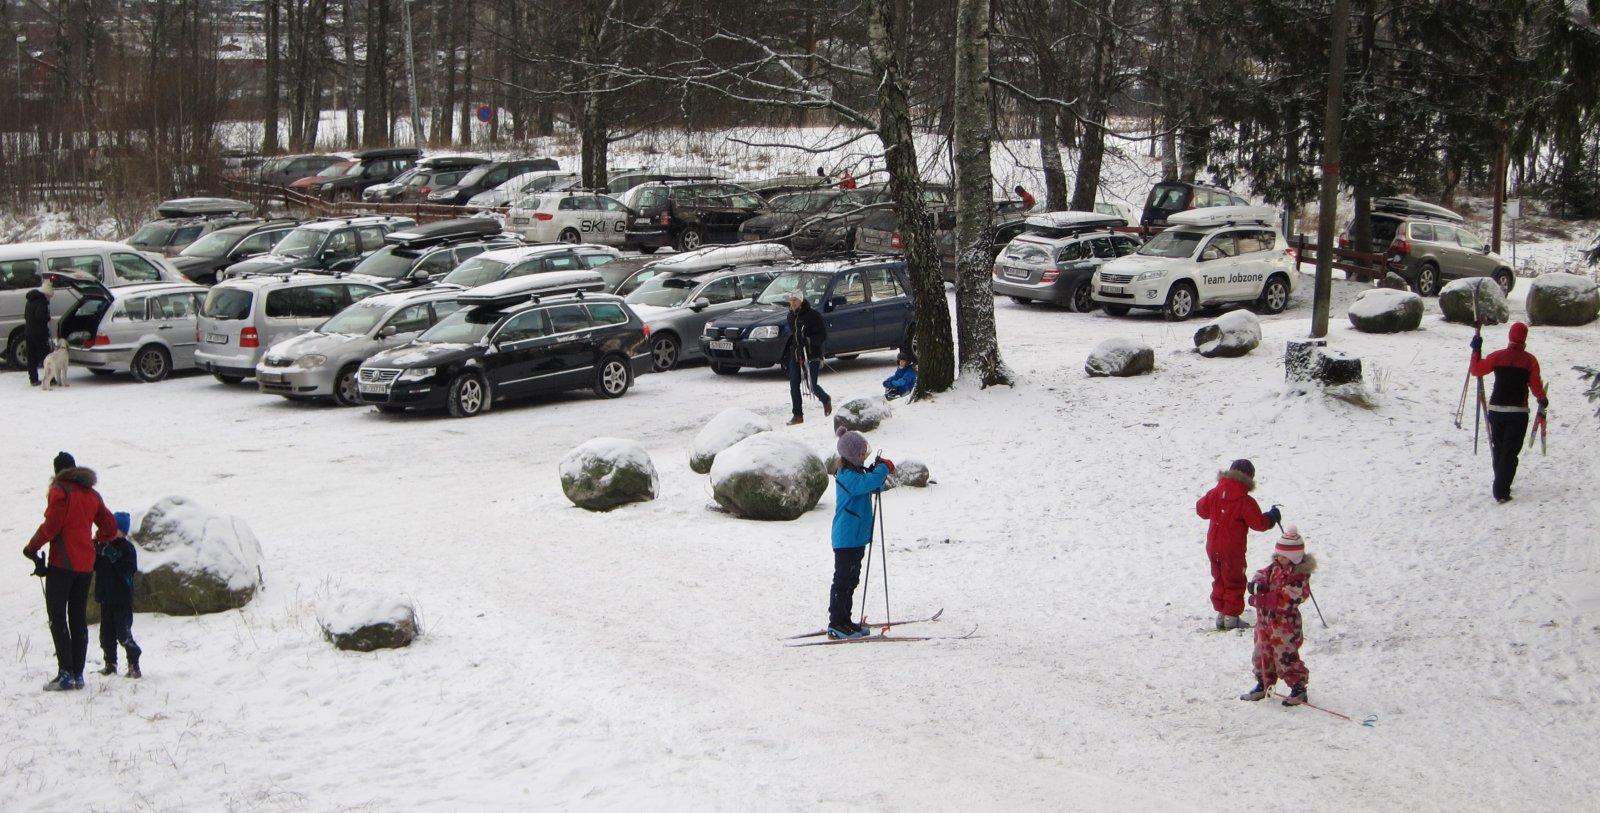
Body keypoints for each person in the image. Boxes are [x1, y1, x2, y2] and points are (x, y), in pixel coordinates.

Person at [24, 451, 120, 692]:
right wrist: (95, 541)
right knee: (77, 618)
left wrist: (32, 547)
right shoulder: (91, 493)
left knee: (57, 617)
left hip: (62, 563)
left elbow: (52, 526)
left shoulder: (60, 491)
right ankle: (77, 674)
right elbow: (109, 527)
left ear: (57, 471)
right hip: (85, 564)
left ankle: (65, 673)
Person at [827, 427, 895, 639]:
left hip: (856, 537)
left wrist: (879, 481)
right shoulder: (846, 475)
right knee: (843, 580)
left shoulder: (856, 474)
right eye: (862, 453)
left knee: (851, 579)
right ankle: (836, 622)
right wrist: (882, 470)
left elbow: (871, 485)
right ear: (853, 455)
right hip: (846, 537)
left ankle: (845, 620)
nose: (864, 456)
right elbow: (866, 484)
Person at [1195, 459, 1279, 629]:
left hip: (1213, 546)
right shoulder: (1244, 500)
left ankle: (1221, 614)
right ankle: (1231, 617)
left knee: (1219, 578)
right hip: (1232, 549)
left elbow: (1201, 509)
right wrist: (1272, 517)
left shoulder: (1215, 493)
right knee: (1234, 580)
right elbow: (1259, 523)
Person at [1470, 321, 1548, 503]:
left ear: (1510, 337)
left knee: (1499, 448)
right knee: (1510, 452)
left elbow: (1476, 369)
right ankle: (1501, 490)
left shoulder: (1498, 356)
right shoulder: (1530, 361)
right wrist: (1542, 399)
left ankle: (1501, 481)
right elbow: (1535, 385)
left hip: (1496, 410)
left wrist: (1476, 350)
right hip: (1518, 412)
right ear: (1525, 339)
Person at [1240, 526, 1316, 707]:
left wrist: (1263, 599)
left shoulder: (1298, 576)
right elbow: (1262, 573)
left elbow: (1288, 599)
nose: (1279, 558)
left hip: (1284, 627)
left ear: (1294, 558)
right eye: (1278, 555)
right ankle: (1263, 683)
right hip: (1265, 624)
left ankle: (1298, 688)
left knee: (1286, 657)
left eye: (1283, 556)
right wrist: (1256, 583)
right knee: (1261, 655)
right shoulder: (1274, 567)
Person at [95, 511, 143, 679]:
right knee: (106, 635)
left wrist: (113, 556)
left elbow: (128, 570)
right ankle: (110, 663)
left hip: (122, 599)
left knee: (123, 633)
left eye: (115, 529)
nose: (111, 531)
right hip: (105, 598)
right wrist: (94, 549)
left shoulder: (127, 548)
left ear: (123, 532)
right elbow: (94, 566)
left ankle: (133, 662)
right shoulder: (102, 545)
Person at [786, 290, 831, 425]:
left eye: (795, 300)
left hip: (812, 354)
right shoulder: (790, 316)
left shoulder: (813, 315)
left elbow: (822, 335)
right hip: (796, 354)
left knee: (812, 385)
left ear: (801, 300)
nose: (793, 302)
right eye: (791, 300)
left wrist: (809, 340)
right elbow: (794, 335)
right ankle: (798, 415)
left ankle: (825, 399)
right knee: (794, 384)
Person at [24, 277, 53, 387]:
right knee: (46, 356)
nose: (49, 299)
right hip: (39, 334)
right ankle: (51, 378)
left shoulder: (30, 301)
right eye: (50, 297)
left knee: (31, 357)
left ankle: (33, 379)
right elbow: (40, 315)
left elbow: (26, 316)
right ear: (46, 294)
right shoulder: (42, 302)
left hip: (28, 332)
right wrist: (47, 317)